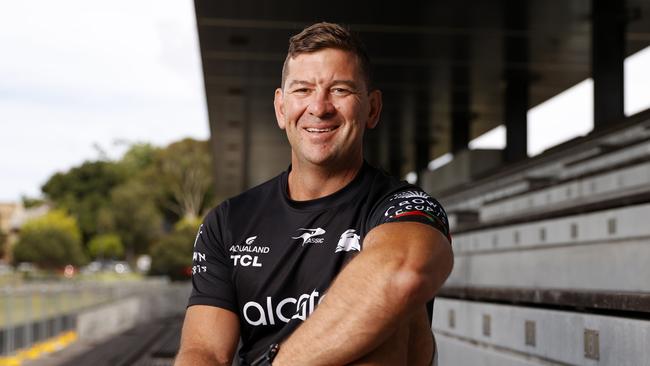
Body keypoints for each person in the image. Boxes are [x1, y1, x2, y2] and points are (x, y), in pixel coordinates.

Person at [175, 22, 453, 366]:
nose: (319, 107)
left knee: (392, 316)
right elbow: (205, 351)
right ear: (280, 108)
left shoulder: (404, 206)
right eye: (303, 90)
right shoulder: (228, 221)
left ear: (373, 108)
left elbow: (402, 272)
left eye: (340, 90)